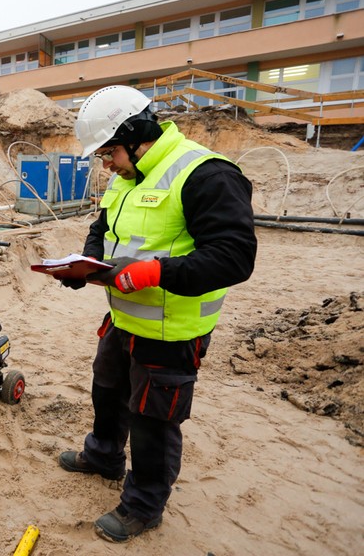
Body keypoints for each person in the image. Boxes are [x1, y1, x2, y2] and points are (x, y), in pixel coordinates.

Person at [58, 85, 257, 542]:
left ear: (136, 136)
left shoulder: (205, 173)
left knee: (153, 419)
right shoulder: (128, 176)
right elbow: (102, 227)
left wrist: (156, 272)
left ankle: (144, 505)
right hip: (124, 319)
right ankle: (104, 456)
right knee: (107, 391)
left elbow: (234, 256)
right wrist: (86, 264)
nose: (105, 164)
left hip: (172, 329)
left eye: (108, 152)